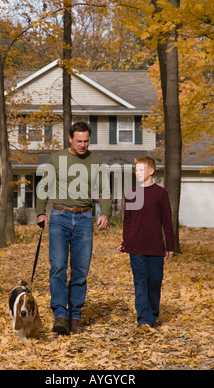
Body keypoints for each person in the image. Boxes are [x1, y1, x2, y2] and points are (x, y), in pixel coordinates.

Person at [36, 121, 111, 334]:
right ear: (70, 139)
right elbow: (44, 186)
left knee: (80, 270)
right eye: (79, 141)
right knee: (58, 267)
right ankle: (60, 314)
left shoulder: (96, 161)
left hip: (85, 218)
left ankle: (75, 315)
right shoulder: (57, 158)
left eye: (86, 141)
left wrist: (104, 212)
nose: (83, 145)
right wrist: (41, 211)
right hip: (60, 216)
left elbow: (105, 190)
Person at [117, 156, 174, 329]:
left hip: (156, 247)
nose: (137, 173)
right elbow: (128, 221)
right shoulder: (132, 193)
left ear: (151, 171)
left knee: (155, 281)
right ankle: (144, 319)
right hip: (136, 247)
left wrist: (170, 245)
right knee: (140, 281)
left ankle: (153, 314)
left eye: (141, 170)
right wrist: (126, 241)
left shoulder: (160, 193)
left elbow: (167, 221)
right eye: (136, 170)